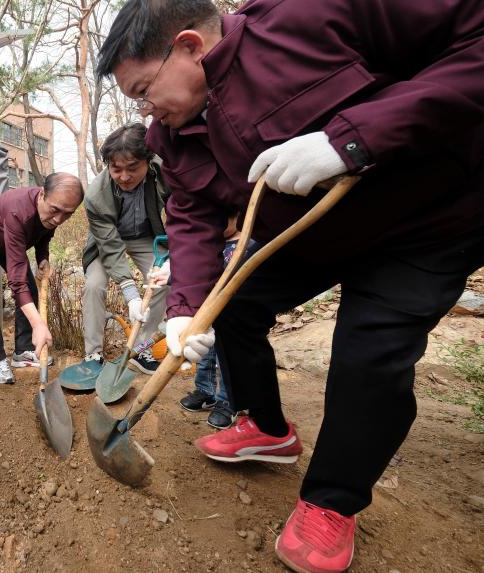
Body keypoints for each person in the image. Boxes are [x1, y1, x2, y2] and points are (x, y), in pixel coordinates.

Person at [97, 1, 484, 571]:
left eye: (143, 89)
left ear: (189, 46)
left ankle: (332, 501)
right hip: (314, 233)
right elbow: (192, 214)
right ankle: (269, 428)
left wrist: (350, 138)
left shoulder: (315, 16)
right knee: (232, 304)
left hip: (426, 223)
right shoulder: (172, 138)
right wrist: (184, 308)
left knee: (369, 354)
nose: (144, 108)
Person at [0, 173, 83, 384]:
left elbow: (45, 233)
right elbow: (16, 280)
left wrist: (42, 258)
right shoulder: (18, 211)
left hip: (6, 241)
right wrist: (38, 324)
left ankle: (23, 350)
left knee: (30, 288)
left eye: (67, 214)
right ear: (42, 194)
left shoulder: (54, 209)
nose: (59, 219)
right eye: (55, 210)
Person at [81, 123, 170, 375]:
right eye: (116, 169)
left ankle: (140, 349)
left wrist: (175, 257)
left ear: (148, 160)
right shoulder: (96, 195)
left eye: (133, 168)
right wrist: (131, 294)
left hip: (146, 237)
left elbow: (179, 213)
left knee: (163, 282)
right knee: (93, 286)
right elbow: (110, 246)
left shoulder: (165, 173)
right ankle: (93, 353)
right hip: (106, 241)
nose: (124, 177)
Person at [176, 215, 257, 429]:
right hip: (207, 313)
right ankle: (205, 392)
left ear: (236, 216)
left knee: (227, 362)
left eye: (219, 221)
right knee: (204, 356)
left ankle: (229, 400)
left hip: (234, 317)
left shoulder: (250, 245)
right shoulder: (209, 245)